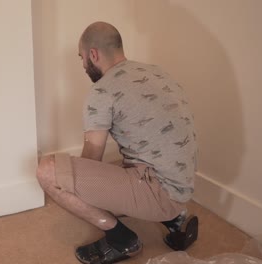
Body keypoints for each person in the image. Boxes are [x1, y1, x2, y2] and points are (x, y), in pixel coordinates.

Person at [36, 21, 199, 264]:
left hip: (160, 191)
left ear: (93, 54)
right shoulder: (156, 72)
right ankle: (174, 219)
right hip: (181, 184)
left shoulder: (102, 91)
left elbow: (91, 162)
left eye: (81, 58)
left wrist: (77, 189)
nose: (82, 65)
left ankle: (121, 239)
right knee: (116, 167)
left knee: (49, 171)